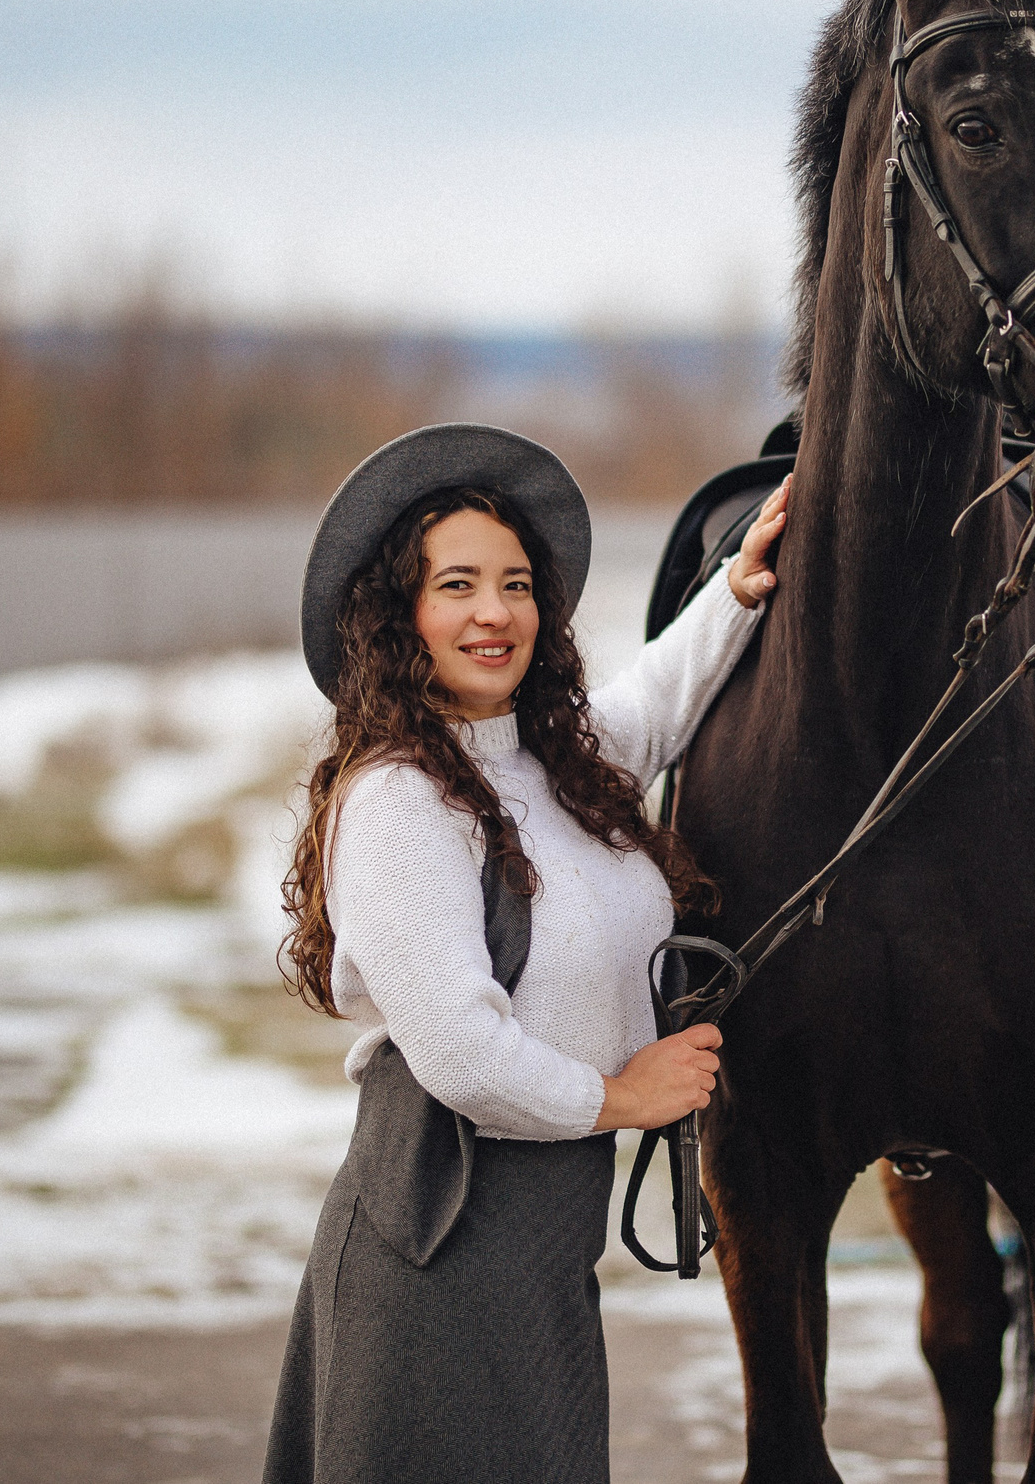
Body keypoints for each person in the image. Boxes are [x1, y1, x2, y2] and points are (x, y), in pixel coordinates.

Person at [263, 422, 787, 1484]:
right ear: (398, 614)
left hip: (541, 1239)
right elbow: (462, 1053)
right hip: (436, 1241)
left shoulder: (555, 767)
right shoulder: (399, 800)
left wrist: (736, 587)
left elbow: (655, 702)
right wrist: (625, 1096)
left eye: (514, 585)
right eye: (456, 585)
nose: (494, 613)